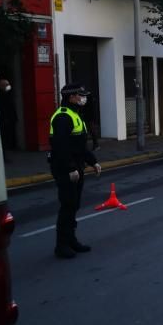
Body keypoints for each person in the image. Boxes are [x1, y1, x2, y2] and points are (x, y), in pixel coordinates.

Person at [49, 83, 101, 258]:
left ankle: (71, 240)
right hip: (66, 168)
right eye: (81, 95)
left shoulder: (75, 115)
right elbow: (60, 147)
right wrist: (70, 168)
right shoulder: (63, 117)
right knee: (68, 205)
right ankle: (61, 245)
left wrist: (93, 161)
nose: (83, 98)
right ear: (71, 97)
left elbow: (79, 146)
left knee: (74, 205)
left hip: (77, 166)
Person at [0, 77, 17, 152]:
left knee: (7, 137)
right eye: (6, 85)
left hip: (8, 120)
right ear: (1, 86)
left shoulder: (7, 94)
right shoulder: (0, 96)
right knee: (4, 138)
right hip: (4, 120)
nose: (8, 86)